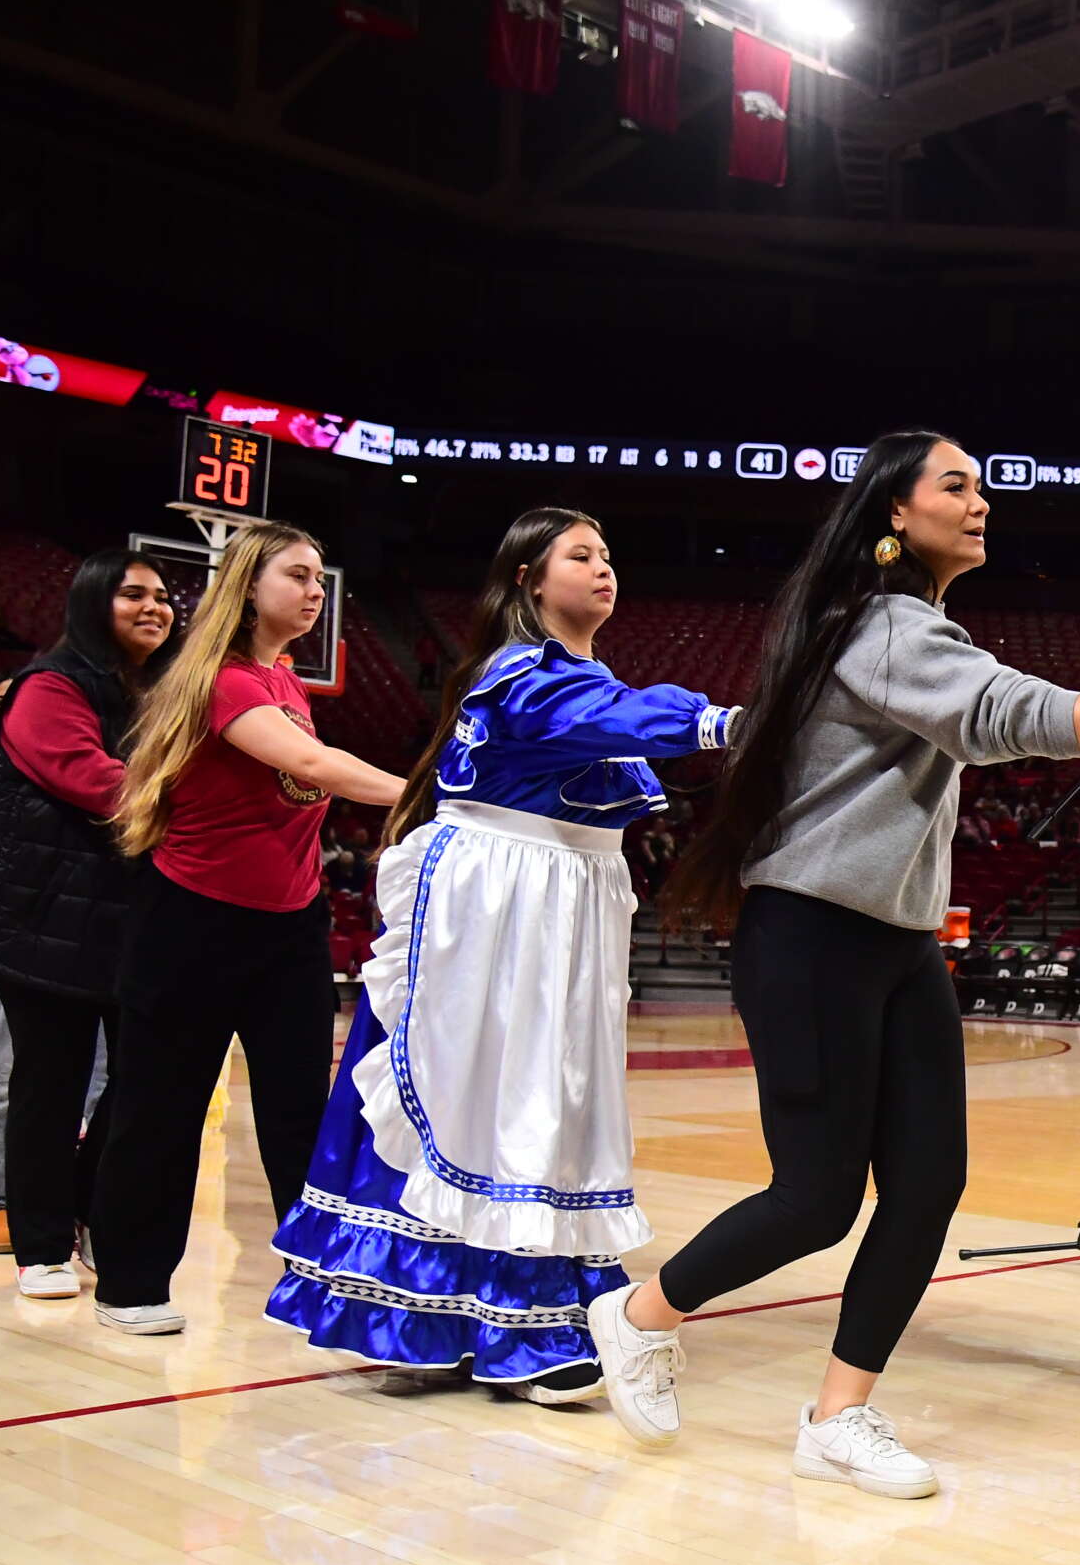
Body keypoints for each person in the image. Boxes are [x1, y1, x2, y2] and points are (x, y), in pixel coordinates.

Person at [586, 432, 1080, 1489]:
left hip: (897, 944)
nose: (981, 501)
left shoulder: (914, 625)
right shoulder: (880, 625)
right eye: (957, 484)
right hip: (810, 932)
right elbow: (1010, 715)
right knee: (814, 1196)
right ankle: (637, 1311)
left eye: (983, 486)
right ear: (894, 512)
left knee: (927, 1180)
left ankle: (836, 1417)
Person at [267, 508, 738, 1404]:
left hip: (561, 895)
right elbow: (610, 718)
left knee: (533, 1093)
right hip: (501, 899)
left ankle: (478, 1314)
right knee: (495, 1093)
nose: (605, 569)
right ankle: (491, 1322)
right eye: (581, 555)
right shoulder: (522, 672)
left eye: (609, 555)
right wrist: (721, 721)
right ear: (527, 576)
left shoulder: (583, 678)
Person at [90, 524, 405, 1335]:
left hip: (288, 927)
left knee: (304, 1110)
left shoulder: (285, 679)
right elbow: (320, 768)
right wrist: (432, 795)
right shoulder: (227, 682)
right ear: (248, 583)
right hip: (192, 922)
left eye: (318, 577)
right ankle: (129, 1284)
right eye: (297, 575)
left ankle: (321, 1281)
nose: (314, 591)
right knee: (163, 1106)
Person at [0, 551, 177, 1301]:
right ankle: (38, 1245)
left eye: (163, 596)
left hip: (122, 916)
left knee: (141, 1078)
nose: (154, 607)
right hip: (35, 916)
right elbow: (94, 779)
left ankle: (80, 1214)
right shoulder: (51, 686)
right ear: (90, 603)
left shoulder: (159, 690)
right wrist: (196, 807)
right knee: (51, 1081)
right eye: (132, 593)